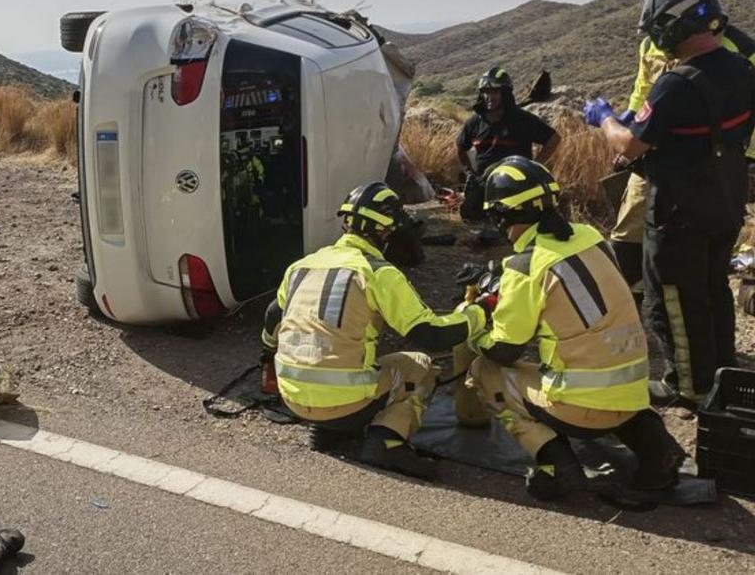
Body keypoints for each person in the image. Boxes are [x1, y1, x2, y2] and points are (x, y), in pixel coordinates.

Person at [465, 156, 685, 501]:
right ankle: (659, 452)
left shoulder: (525, 267)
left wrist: (474, 326)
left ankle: (556, 465)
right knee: (599, 368)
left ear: (500, 215)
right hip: (633, 393)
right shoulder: (590, 237)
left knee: (486, 370)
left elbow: (506, 350)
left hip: (581, 410)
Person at [586, 0, 754, 404]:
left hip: (680, 210)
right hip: (727, 198)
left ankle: (690, 388)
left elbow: (630, 144)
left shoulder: (675, 85)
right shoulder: (743, 69)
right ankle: (722, 375)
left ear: (672, 27)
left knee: (676, 299)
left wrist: (604, 118)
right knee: (714, 285)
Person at [261, 182, 488, 479]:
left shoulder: (303, 265)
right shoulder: (379, 272)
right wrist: (476, 314)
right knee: (420, 365)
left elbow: (272, 316)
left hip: (292, 398)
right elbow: (431, 335)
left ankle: (329, 430)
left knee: (349, 358)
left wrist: (268, 354)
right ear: (385, 232)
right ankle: (388, 441)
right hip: (344, 401)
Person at [608, 0, 755, 291]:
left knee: (696, 240)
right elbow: (641, 91)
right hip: (652, 150)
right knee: (631, 222)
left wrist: (748, 158)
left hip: (709, 160)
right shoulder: (652, 42)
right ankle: (631, 297)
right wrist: (629, 130)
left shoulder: (739, 49)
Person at [456, 66, 561, 222]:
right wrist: (469, 172)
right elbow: (461, 147)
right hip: (485, 184)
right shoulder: (475, 122)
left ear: (505, 93)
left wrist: (534, 166)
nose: (488, 96)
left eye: (494, 92)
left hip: (517, 187)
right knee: (471, 215)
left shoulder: (522, 119)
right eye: (485, 91)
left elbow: (553, 139)